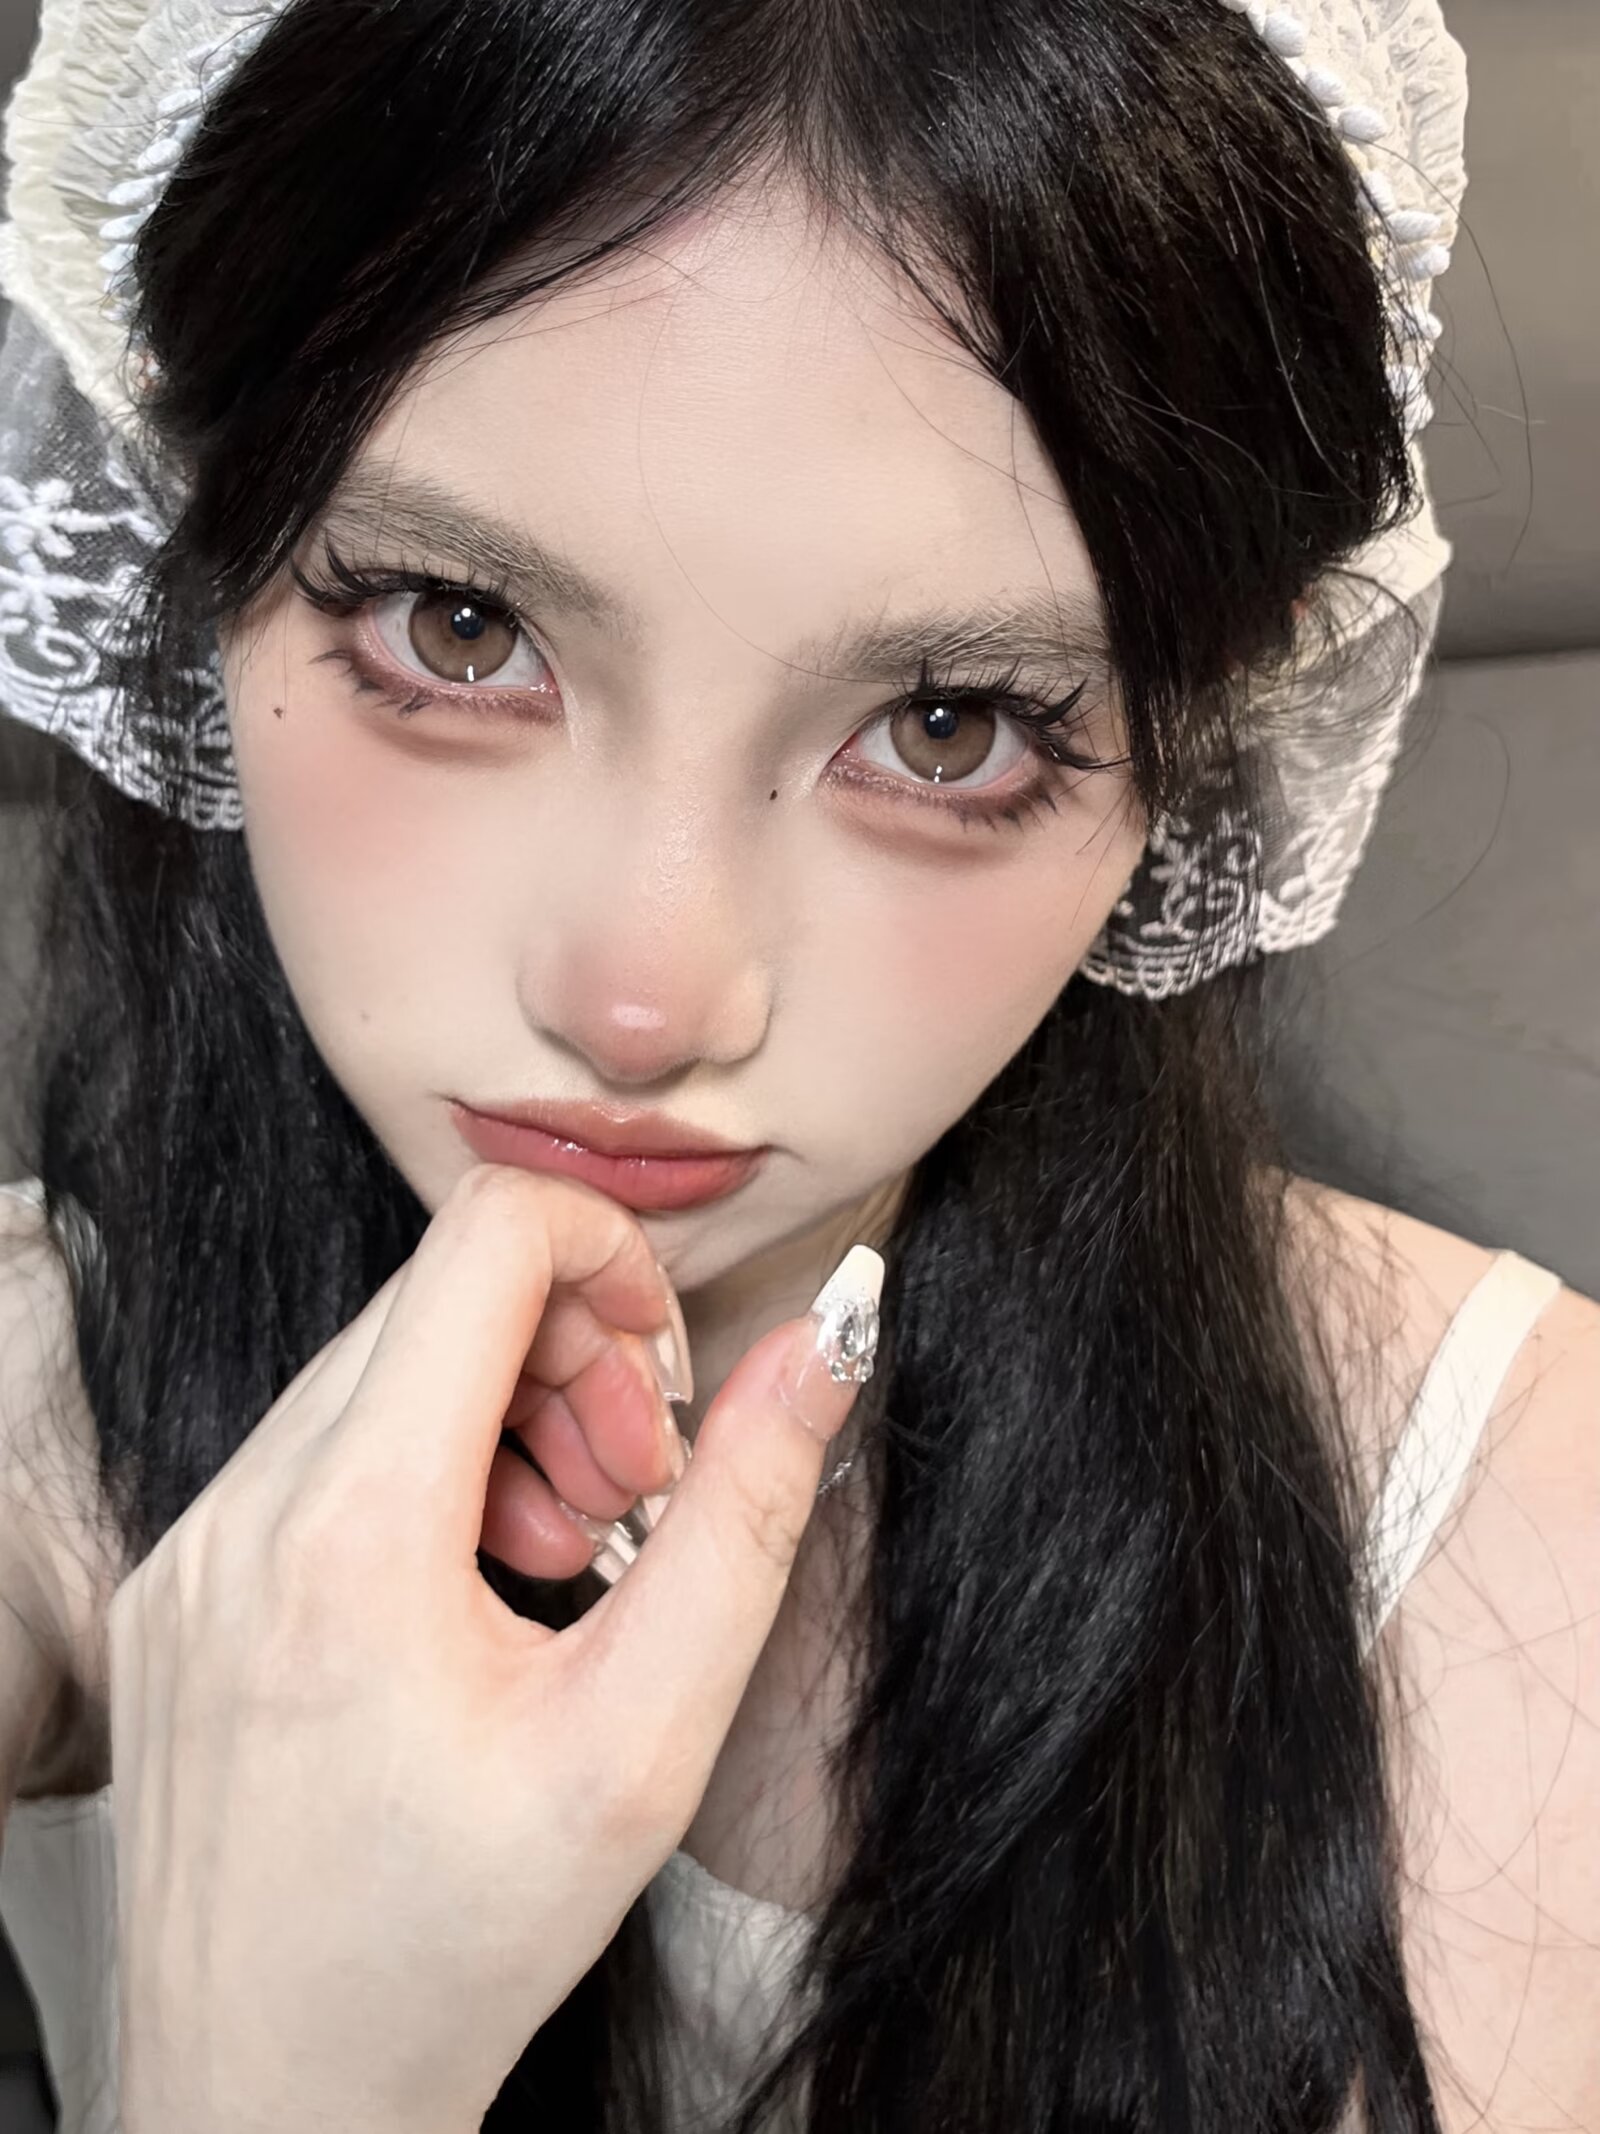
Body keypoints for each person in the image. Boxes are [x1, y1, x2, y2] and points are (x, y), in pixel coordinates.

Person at [0, 0, 1594, 2129]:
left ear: (1179, 765)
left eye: (946, 726)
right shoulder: (48, 1401)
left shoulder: (1530, 1568)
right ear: (202, 562)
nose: (647, 999)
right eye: (458, 625)